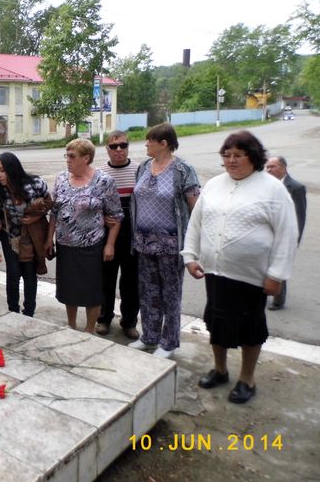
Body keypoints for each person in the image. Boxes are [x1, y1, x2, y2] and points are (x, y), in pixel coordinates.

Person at [183, 131, 298, 403]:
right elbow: (196, 223)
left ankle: (247, 379)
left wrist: (277, 275)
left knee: (250, 327)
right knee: (216, 321)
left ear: (253, 157)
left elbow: (287, 234)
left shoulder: (272, 189)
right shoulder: (213, 185)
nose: (231, 161)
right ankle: (220, 370)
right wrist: (189, 256)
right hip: (215, 272)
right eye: (226, 155)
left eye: (238, 155)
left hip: (252, 277)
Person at [128, 123, 199, 359]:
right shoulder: (145, 167)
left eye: (149, 140)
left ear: (164, 143)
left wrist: (192, 245)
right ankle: (149, 337)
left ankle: (169, 343)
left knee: (170, 294)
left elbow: (195, 210)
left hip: (171, 245)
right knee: (148, 293)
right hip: (144, 242)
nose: (146, 144)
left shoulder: (183, 170)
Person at [45, 139, 123, 333]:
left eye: (72, 156)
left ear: (86, 158)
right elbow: (55, 211)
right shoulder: (62, 178)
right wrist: (49, 239)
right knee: (68, 289)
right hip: (65, 245)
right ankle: (71, 325)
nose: (68, 160)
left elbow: (117, 216)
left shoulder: (104, 181)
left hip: (92, 246)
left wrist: (110, 245)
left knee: (92, 291)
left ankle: (89, 330)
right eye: (67, 156)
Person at [0, 152, 51, 317]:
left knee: (30, 274)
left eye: (2, 170)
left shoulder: (35, 184)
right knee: (13, 273)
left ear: (12, 169)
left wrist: (35, 217)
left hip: (31, 237)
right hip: (11, 237)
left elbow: (50, 204)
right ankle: (12, 311)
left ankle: (29, 312)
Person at [97, 131, 140, 340]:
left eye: (123, 145)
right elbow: (94, 203)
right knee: (106, 279)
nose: (119, 150)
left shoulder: (140, 170)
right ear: (107, 149)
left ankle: (129, 322)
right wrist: (102, 217)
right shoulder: (100, 173)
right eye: (114, 146)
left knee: (131, 282)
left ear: (128, 147)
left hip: (133, 234)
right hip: (108, 233)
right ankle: (104, 319)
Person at [265, 155, 307, 310]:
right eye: (267, 167)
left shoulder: (296, 187)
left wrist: (294, 241)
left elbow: (299, 216)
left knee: (279, 267)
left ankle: (278, 300)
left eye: (272, 167)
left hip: (283, 235)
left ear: (283, 168)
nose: (269, 170)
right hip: (267, 233)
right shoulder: (266, 185)